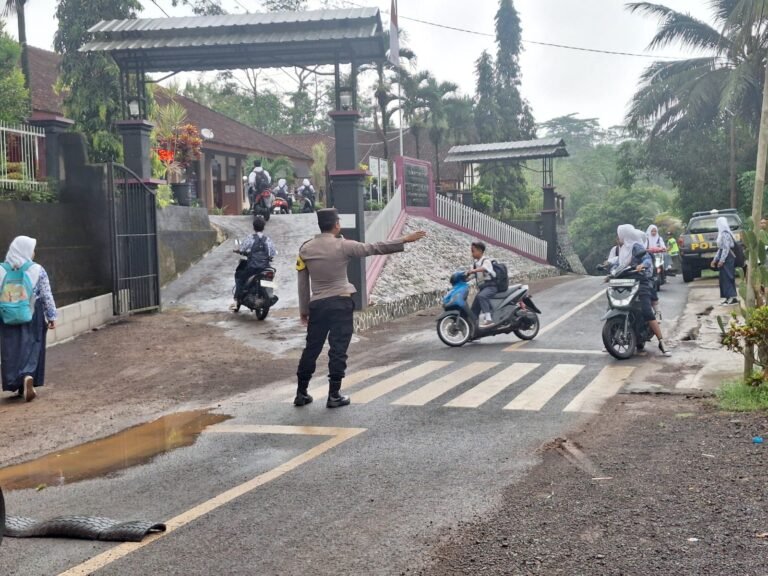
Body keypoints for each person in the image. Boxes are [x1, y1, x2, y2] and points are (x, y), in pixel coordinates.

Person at [294, 208, 426, 408]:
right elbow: (374, 247)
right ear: (336, 225)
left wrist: (304, 310)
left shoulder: (305, 249)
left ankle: (301, 393)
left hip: (318, 305)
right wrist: (404, 239)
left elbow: (303, 283)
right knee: (338, 349)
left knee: (311, 349)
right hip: (340, 302)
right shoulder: (344, 245)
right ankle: (334, 395)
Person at [1, 236, 57, 401]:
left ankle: (17, 383)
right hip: (32, 313)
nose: (34, 252)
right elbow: (46, 294)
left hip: (7, 315)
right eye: (32, 249)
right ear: (25, 250)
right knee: (33, 344)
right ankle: (27, 376)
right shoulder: (37, 269)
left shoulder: (1, 269)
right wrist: (51, 315)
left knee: (11, 349)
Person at [613, 225, 671, 356]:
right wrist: (610, 268)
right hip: (625, 282)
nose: (618, 238)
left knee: (646, 311)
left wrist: (642, 265)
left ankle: (662, 342)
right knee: (614, 304)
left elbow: (647, 259)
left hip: (640, 281)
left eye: (620, 235)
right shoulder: (622, 250)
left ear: (625, 235)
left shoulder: (636, 247)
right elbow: (619, 264)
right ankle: (613, 338)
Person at [230, 216, 277, 312]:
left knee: (239, 277)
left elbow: (242, 249)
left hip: (252, 268)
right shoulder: (268, 240)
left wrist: (238, 251)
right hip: (265, 268)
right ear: (263, 227)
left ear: (253, 227)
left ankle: (236, 300)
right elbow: (272, 253)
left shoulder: (250, 238)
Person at [467, 241, 497, 328]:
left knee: (481, 296)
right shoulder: (476, 263)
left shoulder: (486, 261)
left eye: (473, 251)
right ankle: (473, 329)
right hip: (483, 288)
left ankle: (488, 319)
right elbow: (473, 276)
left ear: (480, 251)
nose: (472, 253)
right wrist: (465, 277)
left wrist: (473, 270)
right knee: (474, 308)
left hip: (491, 286)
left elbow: (484, 269)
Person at [710, 216, 738, 305]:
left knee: (728, 276)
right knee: (723, 278)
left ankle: (732, 297)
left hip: (728, 257)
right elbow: (720, 249)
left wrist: (721, 260)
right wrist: (715, 259)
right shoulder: (722, 234)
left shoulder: (725, 234)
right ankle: (727, 297)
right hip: (725, 256)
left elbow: (726, 248)